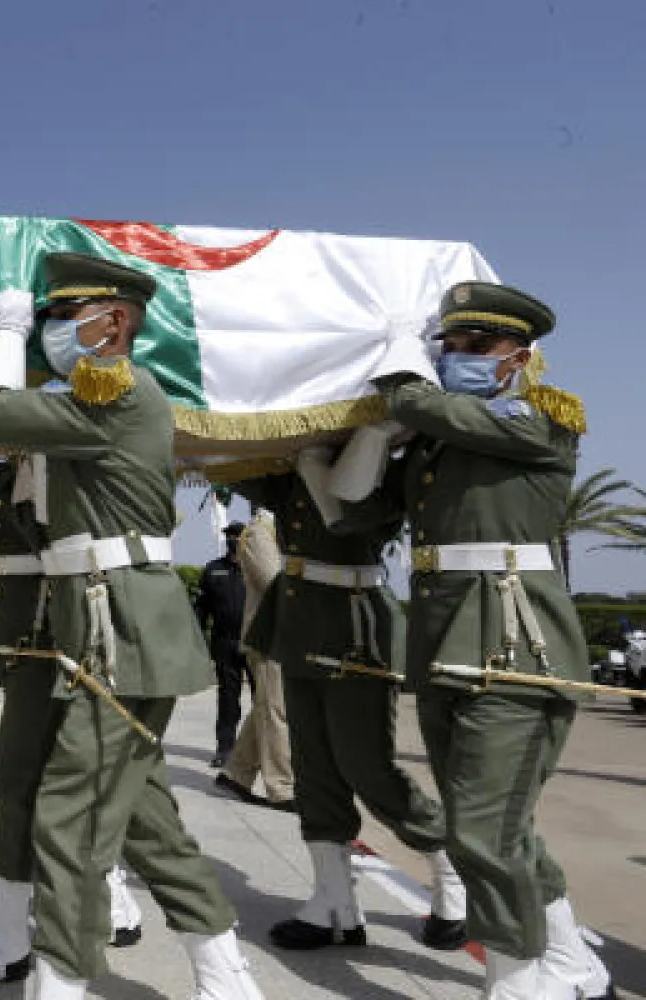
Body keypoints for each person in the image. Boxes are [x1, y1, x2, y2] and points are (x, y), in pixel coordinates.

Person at [0, 252, 263, 1000]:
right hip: (100, 624)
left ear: (115, 321)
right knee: (143, 814)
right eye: (47, 318)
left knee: (69, 815)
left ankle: (60, 981)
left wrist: (6, 332)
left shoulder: (116, 392)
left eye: (66, 316)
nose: (53, 330)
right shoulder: (93, 399)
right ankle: (225, 972)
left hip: (117, 627)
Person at [362, 281, 615, 1000]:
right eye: (449, 344)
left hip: (515, 647)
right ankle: (572, 960)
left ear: (520, 357)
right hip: (445, 644)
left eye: (478, 344)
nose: (458, 356)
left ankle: (517, 981)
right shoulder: (438, 444)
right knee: (500, 824)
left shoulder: (543, 418)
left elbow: (420, 403)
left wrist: (398, 368)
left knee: (479, 828)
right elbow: (361, 514)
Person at [0, 456, 143, 993]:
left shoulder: (76, 465)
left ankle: (110, 888)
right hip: (27, 642)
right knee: (14, 785)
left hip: (74, 638)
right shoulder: (4, 476)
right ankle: (6, 929)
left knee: (86, 783)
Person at [234, 456, 466, 954]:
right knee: (314, 770)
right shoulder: (290, 466)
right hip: (299, 622)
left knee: (367, 767)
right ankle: (334, 902)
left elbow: (355, 516)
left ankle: (451, 870)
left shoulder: (377, 462)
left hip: (356, 625)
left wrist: (325, 456)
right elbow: (239, 471)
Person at [215, 507, 295, 812]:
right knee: (277, 712)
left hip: (285, 636)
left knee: (267, 707)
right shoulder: (259, 532)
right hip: (268, 636)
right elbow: (276, 586)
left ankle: (235, 774)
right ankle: (281, 788)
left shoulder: (282, 528)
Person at [196, 522, 249, 767]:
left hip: (254, 644)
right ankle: (225, 749)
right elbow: (201, 609)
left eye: (238, 536)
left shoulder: (257, 567)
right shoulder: (213, 569)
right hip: (224, 643)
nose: (234, 540)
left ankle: (262, 752)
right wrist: (198, 643)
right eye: (230, 536)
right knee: (228, 698)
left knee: (264, 701)